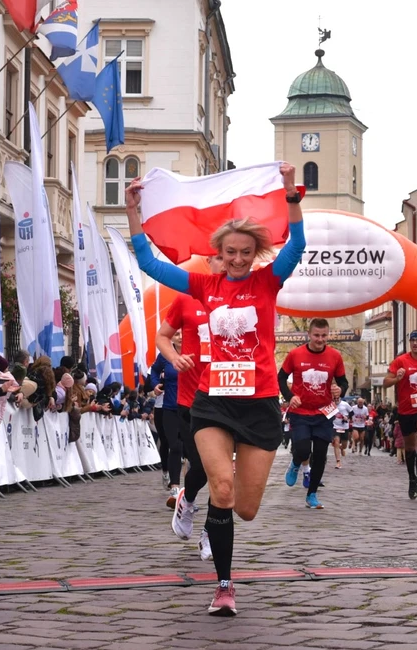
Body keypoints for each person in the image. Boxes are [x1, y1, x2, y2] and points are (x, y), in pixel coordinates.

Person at [126, 163, 303, 616]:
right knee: (221, 488)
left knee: (243, 508)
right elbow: (148, 263)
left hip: (260, 404)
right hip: (213, 403)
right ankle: (224, 586)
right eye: (231, 252)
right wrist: (134, 213)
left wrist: (290, 195)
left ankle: (210, 519)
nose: (239, 259)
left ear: (255, 252)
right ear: (219, 254)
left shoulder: (269, 280)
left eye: (246, 251)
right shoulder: (204, 285)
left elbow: (297, 245)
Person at [157, 270, 223, 562]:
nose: (227, 261)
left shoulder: (245, 299)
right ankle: (189, 498)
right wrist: (174, 358)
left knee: (222, 474)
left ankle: (211, 532)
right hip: (192, 398)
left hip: (231, 396)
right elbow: (162, 337)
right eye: (221, 255)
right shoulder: (185, 299)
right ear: (210, 259)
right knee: (203, 466)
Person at [278, 318, 349, 509]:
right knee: (302, 450)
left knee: (320, 455)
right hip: (300, 411)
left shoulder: (335, 356)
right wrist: (289, 396)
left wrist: (340, 390)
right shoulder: (295, 354)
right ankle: (295, 463)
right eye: (316, 335)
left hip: (323, 413)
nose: (320, 339)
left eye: (324, 336)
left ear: (328, 335)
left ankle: (312, 494)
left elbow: (344, 382)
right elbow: (281, 377)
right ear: (309, 335)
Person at [384, 331, 417, 499]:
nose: (415, 343)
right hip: (406, 408)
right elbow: (386, 382)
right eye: (412, 340)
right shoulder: (401, 361)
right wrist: (397, 379)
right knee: (409, 447)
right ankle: (412, 479)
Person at [149, 332, 184, 509]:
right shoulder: (165, 355)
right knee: (172, 445)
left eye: (184, 332)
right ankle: (174, 485)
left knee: (191, 451)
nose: (180, 336)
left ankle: (189, 493)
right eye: (177, 333)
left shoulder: (198, 352)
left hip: (191, 408)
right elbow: (153, 371)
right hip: (168, 407)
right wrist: (155, 385)